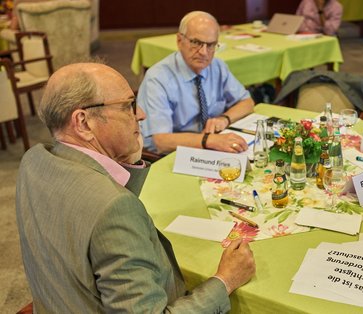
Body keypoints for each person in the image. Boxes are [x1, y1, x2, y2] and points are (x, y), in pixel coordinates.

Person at [16, 62, 256, 312]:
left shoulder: (34, 160)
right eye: (127, 106)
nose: (140, 114)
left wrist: (126, 158)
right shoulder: (114, 209)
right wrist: (225, 281)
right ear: (83, 123)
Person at [138, 11, 254, 155]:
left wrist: (224, 119)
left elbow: (247, 102)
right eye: (196, 43)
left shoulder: (217, 67)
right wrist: (209, 140)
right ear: (180, 41)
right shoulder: (157, 78)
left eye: (211, 45)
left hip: (207, 146)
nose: (204, 52)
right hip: (169, 154)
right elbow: (162, 141)